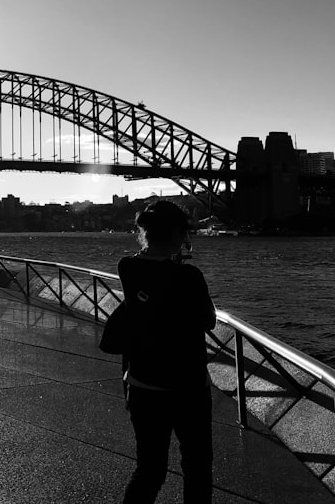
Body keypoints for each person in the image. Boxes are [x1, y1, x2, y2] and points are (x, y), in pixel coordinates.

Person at [116, 200, 216, 504]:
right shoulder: (189, 276)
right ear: (177, 234)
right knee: (197, 467)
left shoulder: (128, 266)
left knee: (149, 469)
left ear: (144, 231)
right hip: (189, 385)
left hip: (143, 382)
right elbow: (208, 321)